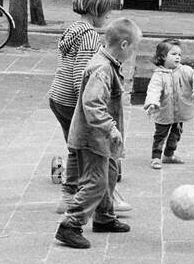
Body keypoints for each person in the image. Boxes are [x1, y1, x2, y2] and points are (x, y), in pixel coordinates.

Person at [55, 18, 140, 249]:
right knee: (96, 182)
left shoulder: (108, 63)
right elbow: (92, 104)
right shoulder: (101, 69)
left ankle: (104, 217)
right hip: (91, 138)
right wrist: (111, 128)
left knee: (110, 176)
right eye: (134, 47)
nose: (134, 53)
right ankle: (70, 225)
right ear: (124, 45)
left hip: (102, 139)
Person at [49, 0, 113, 214]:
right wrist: (86, 108)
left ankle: (79, 192)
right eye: (106, 11)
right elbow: (81, 76)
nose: (109, 15)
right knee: (79, 149)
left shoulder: (74, 29)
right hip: (72, 100)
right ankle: (71, 196)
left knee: (75, 147)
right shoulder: (89, 37)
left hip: (58, 97)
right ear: (95, 10)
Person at [144, 38, 194, 169]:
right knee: (160, 135)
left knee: (176, 135)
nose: (177, 57)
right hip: (164, 112)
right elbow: (153, 90)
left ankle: (169, 155)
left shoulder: (184, 70)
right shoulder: (158, 75)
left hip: (179, 111)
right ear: (162, 57)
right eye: (173, 54)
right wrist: (152, 103)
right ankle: (156, 157)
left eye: (179, 54)